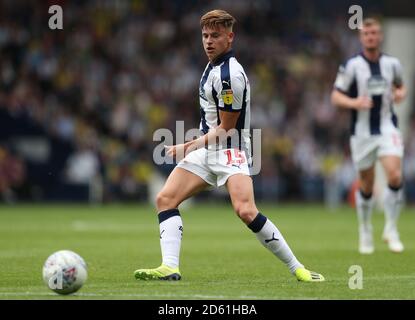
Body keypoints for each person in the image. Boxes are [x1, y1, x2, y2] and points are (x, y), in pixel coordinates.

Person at [134, 9, 324, 282]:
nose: (209, 41)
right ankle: (170, 267)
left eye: (216, 36)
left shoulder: (229, 76)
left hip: (230, 151)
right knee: (165, 199)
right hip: (206, 150)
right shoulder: (211, 66)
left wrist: (187, 145)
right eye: (205, 35)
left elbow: (226, 129)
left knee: (245, 210)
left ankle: (299, 269)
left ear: (230, 38)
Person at [331, 18, 407, 254]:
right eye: (367, 34)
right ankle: (365, 230)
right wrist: (354, 102)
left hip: (387, 127)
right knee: (366, 185)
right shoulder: (352, 66)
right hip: (362, 132)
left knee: (395, 176)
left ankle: (391, 229)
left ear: (380, 36)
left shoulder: (392, 64)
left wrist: (400, 94)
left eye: (374, 33)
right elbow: (336, 96)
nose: (371, 37)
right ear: (361, 38)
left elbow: (400, 86)